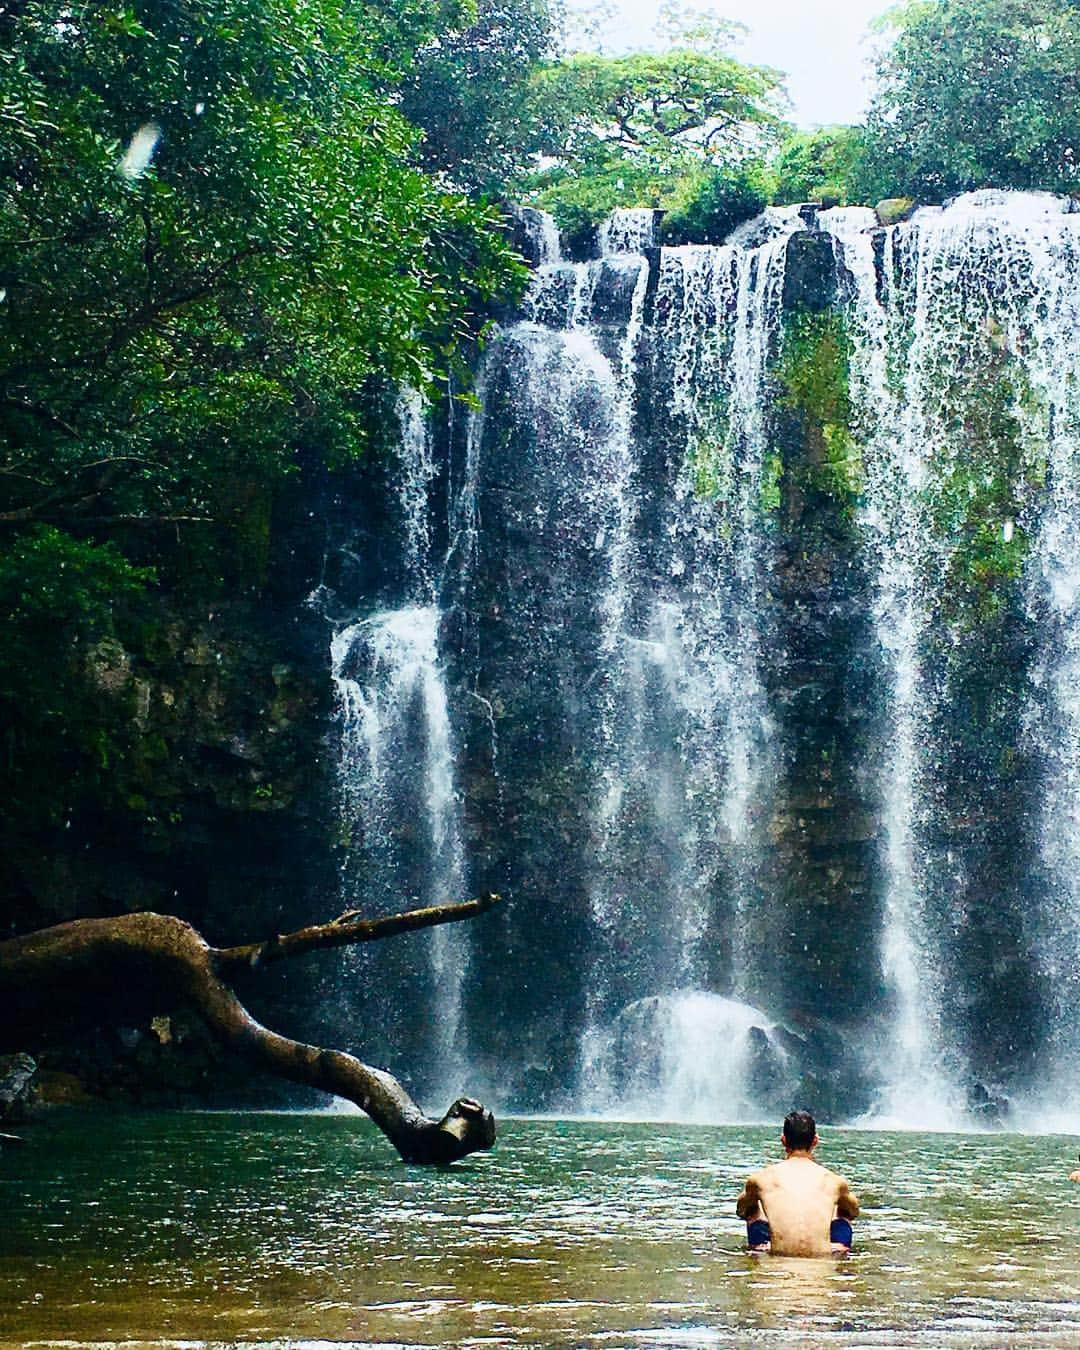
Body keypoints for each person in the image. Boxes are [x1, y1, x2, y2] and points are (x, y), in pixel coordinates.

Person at [736, 1109, 860, 1256]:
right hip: (824, 1262)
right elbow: (854, 1212)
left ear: (783, 1140)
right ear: (815, 1141)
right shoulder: (834, 1181)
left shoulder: (761, 1179)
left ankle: (764, 1246)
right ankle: (836, 1248)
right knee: (842, 1211)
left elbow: (741, 1210)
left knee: (754, 1209)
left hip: (777, 1259)